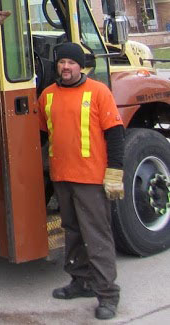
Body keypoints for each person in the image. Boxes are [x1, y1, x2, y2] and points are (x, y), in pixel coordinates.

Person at [39, 42, 126, 320]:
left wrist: (115, 171)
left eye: (71, 63)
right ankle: (80, 282)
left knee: (96, 237)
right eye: (62, 62)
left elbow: (115, 134)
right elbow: (42, 135)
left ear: (82, 66)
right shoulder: (48, 96)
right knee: (73, 232)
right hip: (62, 177)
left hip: (90, 179)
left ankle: (108, 295)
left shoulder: (99, 92)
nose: (66, 67)